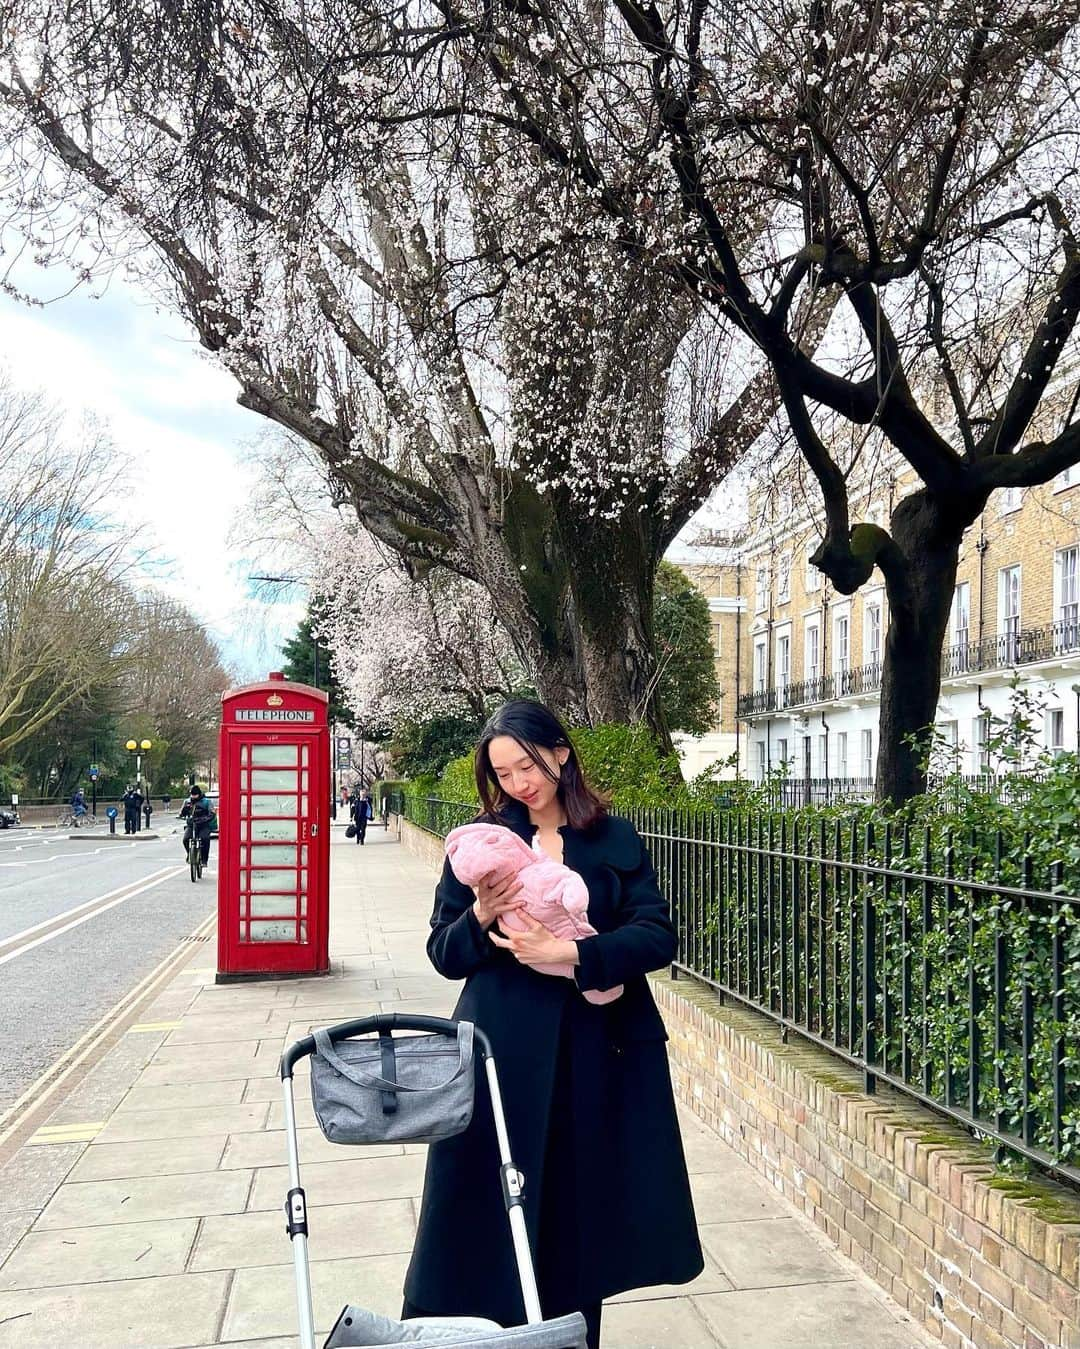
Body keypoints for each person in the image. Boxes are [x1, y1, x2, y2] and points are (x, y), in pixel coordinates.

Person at [403, 700, 703, 1347]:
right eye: (503, 772)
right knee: (486, 1215)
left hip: (595, 1054)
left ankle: (572, 1338)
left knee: (579, 1216)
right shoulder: (481, 843)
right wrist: (480, 915)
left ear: (560, 752)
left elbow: (657, 934)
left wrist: (571, 953)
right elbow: (443, 953)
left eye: (527, 764)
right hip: (500, 1057)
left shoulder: (613, 838)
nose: (518, 783)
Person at [179, 785, 214, 867]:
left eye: (195, 795)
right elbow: (181, 813)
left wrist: (204, 819)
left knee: (205, 839)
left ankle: (204, 860)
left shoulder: (206, 802)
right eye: (192, 795)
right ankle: (190, 854)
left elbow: (212, 813)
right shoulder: (187, 801)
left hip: (203, 825)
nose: (193, 796)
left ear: (199, 794)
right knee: (185, 839)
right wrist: (185, 810)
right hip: (191, 825)